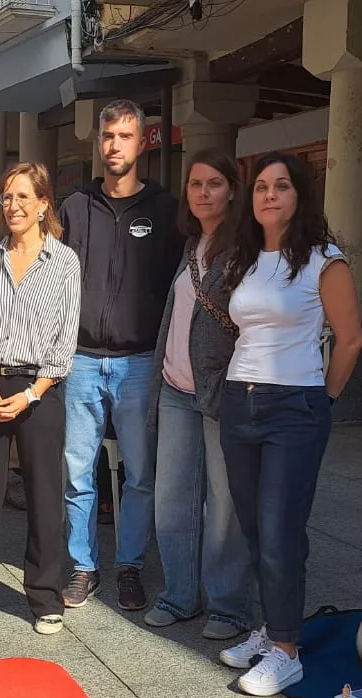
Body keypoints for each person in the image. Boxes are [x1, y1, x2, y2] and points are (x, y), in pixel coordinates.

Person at [217, 151, 362, 697]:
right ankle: (274, 626)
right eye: (260, 187)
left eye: (280, 186)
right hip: (240, 400)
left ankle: (286, 652)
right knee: (255, 528)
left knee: (280, 531)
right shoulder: (246, 257)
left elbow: (350, 340)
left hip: (294, 406)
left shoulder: (325, 261)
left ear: (300, 195)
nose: (269, 195)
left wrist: (323, 399)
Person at [57, 99, 180, 612]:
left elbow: (178, 286)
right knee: (77, 473)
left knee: (140, 475)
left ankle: (129, 566)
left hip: (139, 363)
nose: (114, 145)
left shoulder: (166, 210)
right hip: (81, 360)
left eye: (125, 136)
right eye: (108, 136)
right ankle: (83, 567)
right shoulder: (74, 207)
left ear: (142, 142)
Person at [0, 162, 81, 634]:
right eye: (6, 197)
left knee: (45, 496)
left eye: (23, 196)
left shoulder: (64, 263)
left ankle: (45, 597)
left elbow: (64, 343)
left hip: (40, 390)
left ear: (44, 203)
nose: (13, 206)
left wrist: (30, 394)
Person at [143, 150, 255, 641]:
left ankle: (229, 607)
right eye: (195, 184)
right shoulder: (192, 245)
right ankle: (180, 595)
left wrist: (234, 381)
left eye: (214, 183)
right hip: (175, 388)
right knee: (172, 499)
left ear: (232, 190)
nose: (203, 192)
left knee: (224, 504)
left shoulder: (246, 250)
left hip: (220, 392)